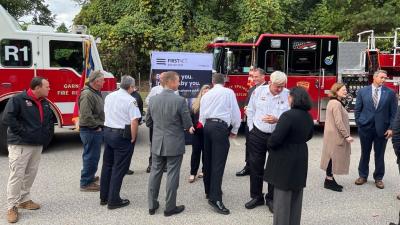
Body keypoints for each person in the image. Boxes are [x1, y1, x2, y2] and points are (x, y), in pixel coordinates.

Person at [2, 77, 52, 223]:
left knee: (30, 173)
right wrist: (24, 132)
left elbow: (49, 122)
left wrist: (46, 137)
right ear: (37, 88)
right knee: (17, 175)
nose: (49, 89)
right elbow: (7, 118)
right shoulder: (18, 100)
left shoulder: (45, 103)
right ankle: (11, 207)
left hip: (37, 145)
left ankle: (24, 200)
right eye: (47, 86)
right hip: (20, 144)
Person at [146, 71, 194, 216]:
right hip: (174, 143)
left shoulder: (153, 100)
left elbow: (148, 122)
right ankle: (169, 207)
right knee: (173, 174)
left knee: (155, 173)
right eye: (178, 81)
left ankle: (152, 205)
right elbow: (187, 124)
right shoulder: (180, 101)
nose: (179, 83)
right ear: (171, 82)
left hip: (157, 143)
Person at [264, 86, 314, 225]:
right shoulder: (308, 116)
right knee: (296, 196)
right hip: (301, 155)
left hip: (285, 158)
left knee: (282, 199)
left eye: (289, 96)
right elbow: (309, 135)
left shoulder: (287, 116)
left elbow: (275, 139)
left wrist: (269, 143)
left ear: (293, 98)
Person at [244, 70, 289, 212]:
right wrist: (251, 129)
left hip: (276, 135)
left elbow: (289, 116)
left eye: (282, 86)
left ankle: (271, 198)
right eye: (277, 86)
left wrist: (277, 120)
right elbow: (250, 110)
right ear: (270, 82)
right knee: (256, 166)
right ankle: (256, 196)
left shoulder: (287, 94)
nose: (280, 89)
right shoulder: (258, 92)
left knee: (274, 168)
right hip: (257, 133)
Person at [199, 73, 241, 215]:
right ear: (224, 81)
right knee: (218, 164)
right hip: (220, 127)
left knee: (208, 160)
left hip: (208, 126)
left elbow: (202, 116)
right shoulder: (228, 92)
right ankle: (215, 198)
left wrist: (206, 128)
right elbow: (235, 112)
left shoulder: (206, 95)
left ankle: (209, 191)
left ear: (212, 82)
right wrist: (235, 129)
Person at [100, 75, 141, 209]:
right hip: (121, 135)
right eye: (133, 87)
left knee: (107, 166)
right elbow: (134, 121)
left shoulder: (109, 96)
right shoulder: (131, 100)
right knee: (119, 168)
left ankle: (104, 197)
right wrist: (133, 137)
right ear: (130, 87)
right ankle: (114, 200)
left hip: (108, 131)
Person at [355, 70, 397, 189]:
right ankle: (362, 176)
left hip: (382, 129)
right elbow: (357, 109)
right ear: (375, 77)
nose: (384, 80)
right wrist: (360, 123)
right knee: (365, 153)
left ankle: (378, 178)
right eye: (382, 77)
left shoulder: (390, 93)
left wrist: (391, 128)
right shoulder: (363, 91)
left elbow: (394, 113)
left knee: (379, 154)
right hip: (365, 128)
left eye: (385, 78)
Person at [320, 83, 354, 192]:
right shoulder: (336, 104)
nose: (345, 91)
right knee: (332, 157)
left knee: (331, 156)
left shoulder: (334, 102)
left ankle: (330, 178)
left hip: (332, 134)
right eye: (343, 90)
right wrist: (347, 135)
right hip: (335, 135)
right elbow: (338, 122)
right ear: (336, 91)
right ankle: (328, 181)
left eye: (345, 89)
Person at [236, 68, 267, 177]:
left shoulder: (268, 89)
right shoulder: (251, 89)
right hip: (250, 122)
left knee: (262, 148)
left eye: (256, 77)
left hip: (263, 124)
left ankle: (261, 169)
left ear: (263, 77)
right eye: (253, 77)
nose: (254, 79)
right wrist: (246, 108)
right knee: (248, 144)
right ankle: (248, 167)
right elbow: (248, 103)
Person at [78, 70, 105, 192]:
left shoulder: (95, 92)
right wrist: (96, 127)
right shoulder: (87, 94)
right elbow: (86, 115)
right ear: (96, 81)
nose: (104, 82)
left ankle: (90, 177)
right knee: (91, 156)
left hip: (93, 129)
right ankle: (86, 183)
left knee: (94, 156)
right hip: (90, 130)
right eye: (102, 80)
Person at [189, 85, 210, 183]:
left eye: (208, 92)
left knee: (206, 153)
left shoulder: (212, 104)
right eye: (204, 92)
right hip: (197, 133)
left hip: (208, 133)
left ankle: (204, 170)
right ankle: (193, 173)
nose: (206, 93)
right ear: (201, 93)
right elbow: (189, 117)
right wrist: (190, 126)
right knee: (195, 153)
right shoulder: (195, 105)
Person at [126, 86, 144, 175]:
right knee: (128, 149)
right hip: (129, 126)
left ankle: (123, 167)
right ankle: (125, 168)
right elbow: (138, 113)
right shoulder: (135, 97)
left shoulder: (115, 94)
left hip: (119, 127)